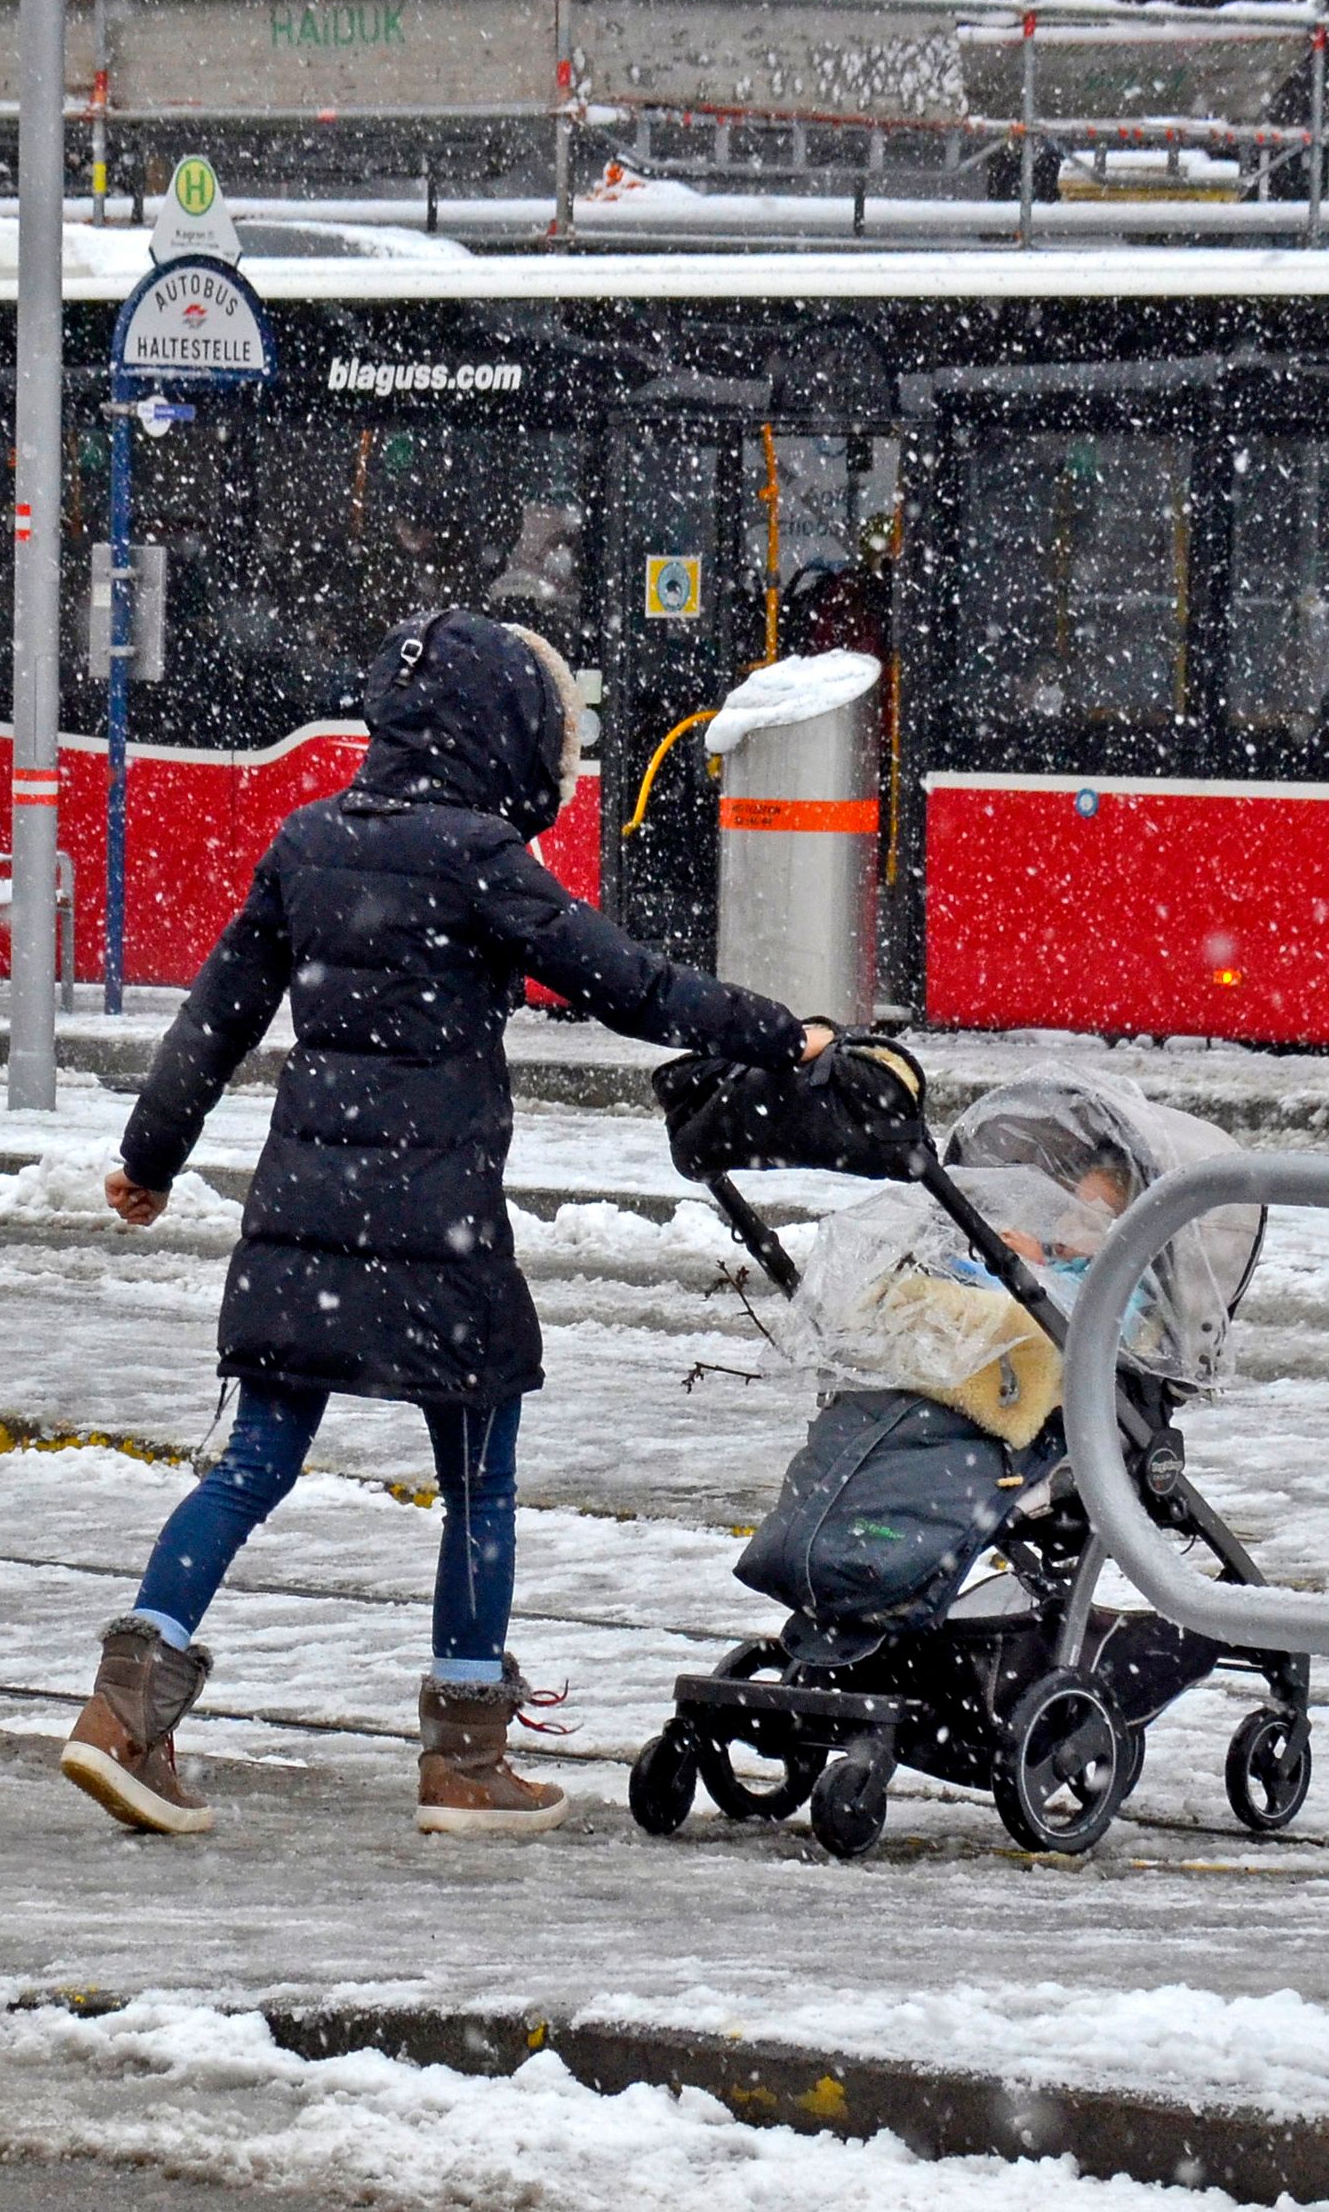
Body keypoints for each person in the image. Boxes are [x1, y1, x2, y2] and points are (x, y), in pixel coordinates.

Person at [64, 608, 840, 1841]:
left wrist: (148, 1160)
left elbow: (213, 1014)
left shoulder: (304, 842)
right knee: (478, 1480)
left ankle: (122, 1712)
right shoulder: (480, 856)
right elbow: (629, 986)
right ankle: (464, 1760)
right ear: (501, 733)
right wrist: (775, 1031)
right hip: (440, 1230)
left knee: (251, 1466)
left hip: (301, 1220)